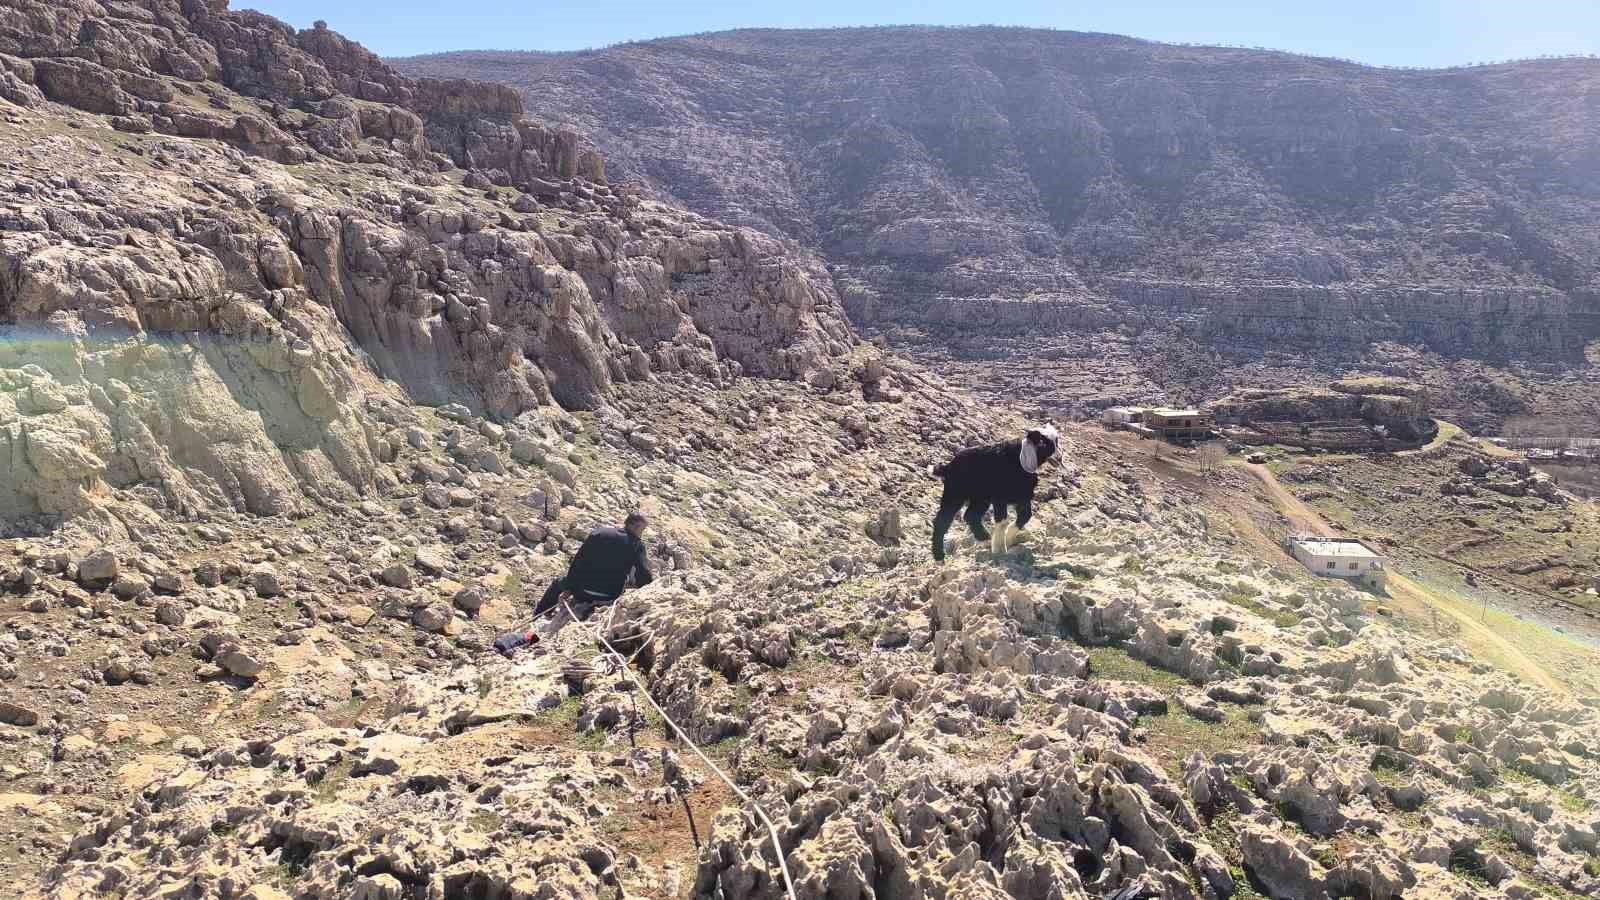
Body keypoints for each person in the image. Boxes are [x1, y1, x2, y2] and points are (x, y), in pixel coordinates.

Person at [534, 512, 654, 621]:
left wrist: (569, 588)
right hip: (609, 594)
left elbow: (578, 562)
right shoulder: (637, 545)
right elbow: (643, 572)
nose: (641, 534)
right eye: (642, 530)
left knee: (557, 583)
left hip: (581, 591)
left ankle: (539, 614)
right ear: (635, 527)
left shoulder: (599, 533)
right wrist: (645, 588)